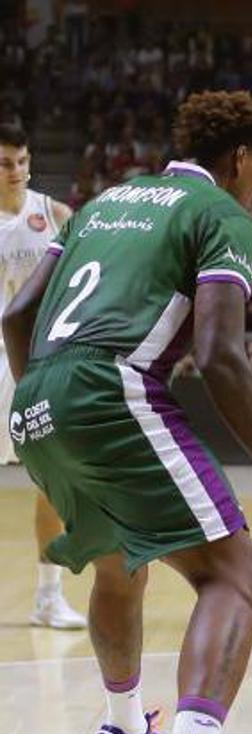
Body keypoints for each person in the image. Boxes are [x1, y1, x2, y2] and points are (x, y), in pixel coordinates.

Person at [1, 91, 252, 734]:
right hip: (109, 389)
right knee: (239, 579)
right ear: (241, 158)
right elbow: (221, 355)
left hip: (34, 402)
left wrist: (43, 403)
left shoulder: (102, 202)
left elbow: (15, 315)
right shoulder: (220, 212)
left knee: (124, 563)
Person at [0, 122, 86, 629]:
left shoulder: (54, 214)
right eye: (6, 163)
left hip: (41, 360)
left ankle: (47, 596)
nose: (16, 171)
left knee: (52, 478)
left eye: (22, 161)